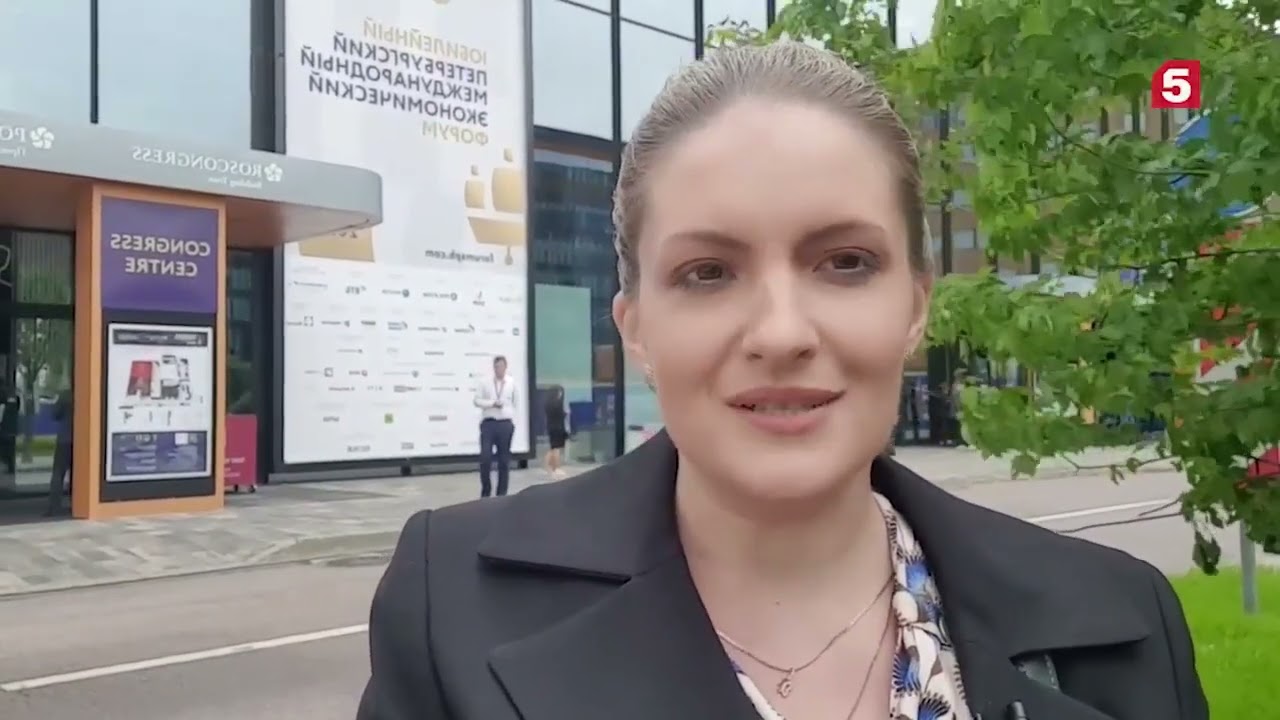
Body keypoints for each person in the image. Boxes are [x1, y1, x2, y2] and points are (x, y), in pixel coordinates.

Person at [358, 43, 1208, 720]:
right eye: (707, 272)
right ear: (637, 327)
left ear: (915, 307)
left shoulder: (1122, 622)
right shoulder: (452, 603)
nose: (781, 333)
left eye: (845, 262)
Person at [472, 355, 517, 498]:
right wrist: (492, 403)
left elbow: (516, 403)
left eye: (502, 367)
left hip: (505, 424)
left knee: (504, 460)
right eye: (497, 367)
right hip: (489, 423)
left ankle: (502, 494)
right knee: (485, 458)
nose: (499, 369)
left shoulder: (511, 383)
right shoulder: (485, 382)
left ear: (506, 367)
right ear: (494, 368)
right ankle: (486, 491)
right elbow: (477, 400)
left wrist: (511, 417)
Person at [45, 388, 73, 517]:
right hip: (84, 441)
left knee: (58, 473)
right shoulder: (88, 392)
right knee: (80, 475)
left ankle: (54, 507)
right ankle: (78, 503)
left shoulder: (65, 395)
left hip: (65, 439)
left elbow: (55, 414)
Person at [542, 384, 569, 479]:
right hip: (558, 427)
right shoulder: (557, 404)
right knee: (556, 449)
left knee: (553, 449)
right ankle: (556, 468)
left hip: (551, 427)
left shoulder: (548, 403)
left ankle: (548, 467)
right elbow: (561, 414)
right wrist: (566, 413)